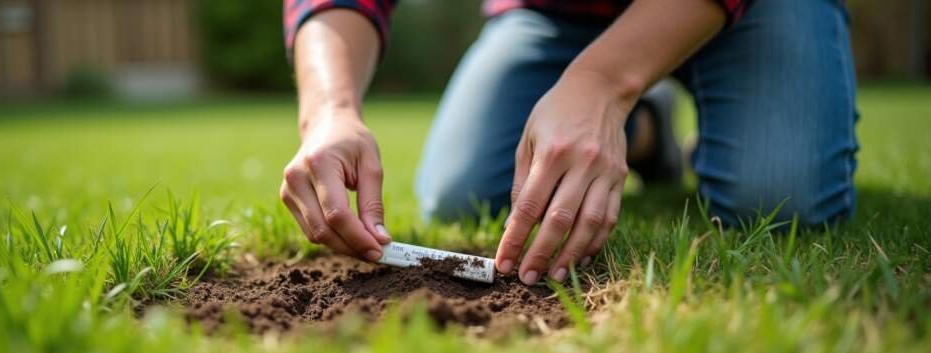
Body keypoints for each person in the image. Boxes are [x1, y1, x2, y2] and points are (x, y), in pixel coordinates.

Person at [279, 0, 859, 285]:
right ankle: (645, 133)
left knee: (780, 199)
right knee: (463, 195)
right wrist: (331, 110)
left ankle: (615, 107)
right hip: (558, 12)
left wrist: (602, 84)